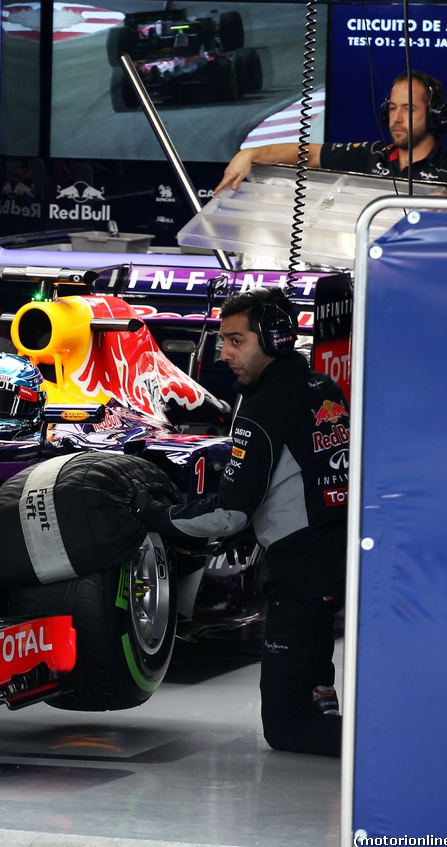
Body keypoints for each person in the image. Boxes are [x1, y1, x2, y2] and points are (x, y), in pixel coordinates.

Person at [131, 287, 348, 757]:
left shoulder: (262, 409)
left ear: (274, 338)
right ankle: (340, 712)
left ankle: (392, 748)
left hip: (300, 574)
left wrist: (154, 516)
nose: (223, 353)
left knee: (286, 728)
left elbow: (228, 513)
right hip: (336, 564)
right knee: (315, 699)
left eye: (235, 340)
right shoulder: (325, 389)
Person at [218, 71, 447, 198]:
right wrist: (249, 154)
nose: (396, 118)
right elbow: (309, 154)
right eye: (392, 108)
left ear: (435, 116)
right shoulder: (371, 155)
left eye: (408, 109)